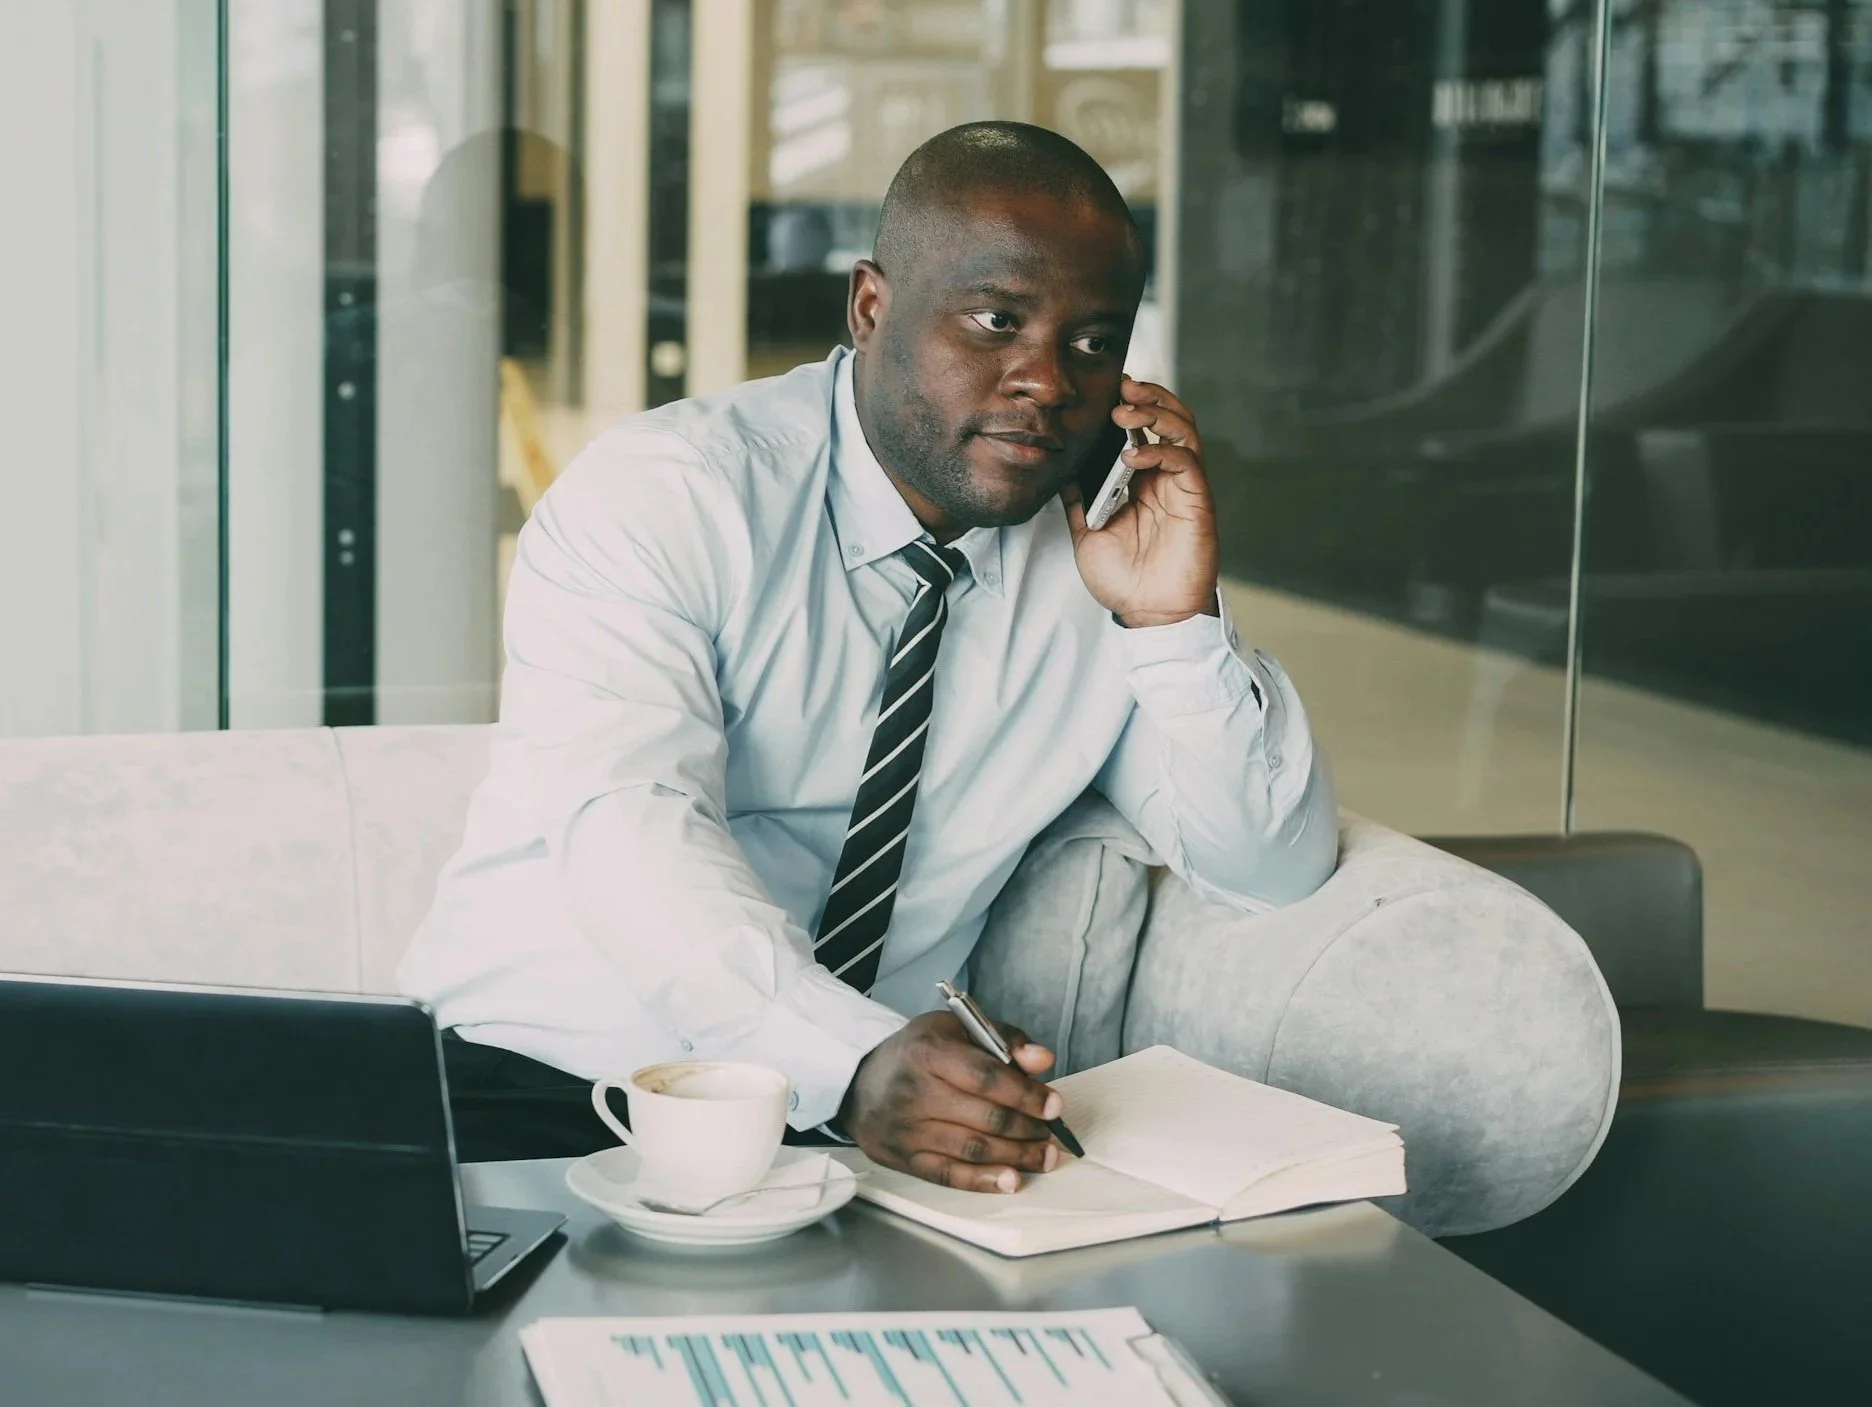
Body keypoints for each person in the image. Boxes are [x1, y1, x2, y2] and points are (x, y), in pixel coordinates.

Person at [398, 121, 1337, 1191]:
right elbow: (631, 825)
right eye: (997, 320)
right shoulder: (668, 495)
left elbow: (1271, 865)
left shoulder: (1101, 557)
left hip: (866, 1133)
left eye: (1093, 342)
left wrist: (1176, 628)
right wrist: (840, 1057)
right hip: (551, 1085)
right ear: (871, 307)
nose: (1046, 381)